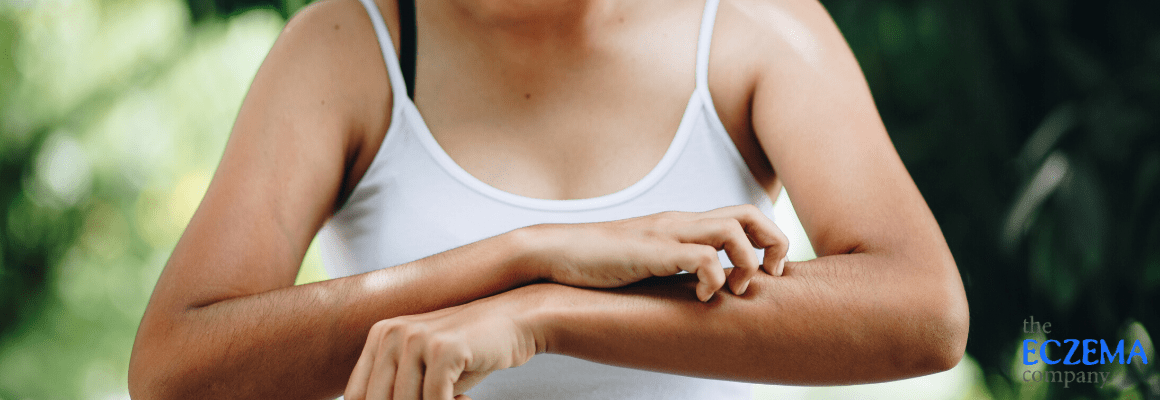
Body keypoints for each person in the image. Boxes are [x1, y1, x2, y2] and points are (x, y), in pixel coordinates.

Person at [128, 0, 970, 398]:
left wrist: (544, 313)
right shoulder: (349, 42)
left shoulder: (755, 22)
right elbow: (175, 367)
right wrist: (523, 256)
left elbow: (923, 311)